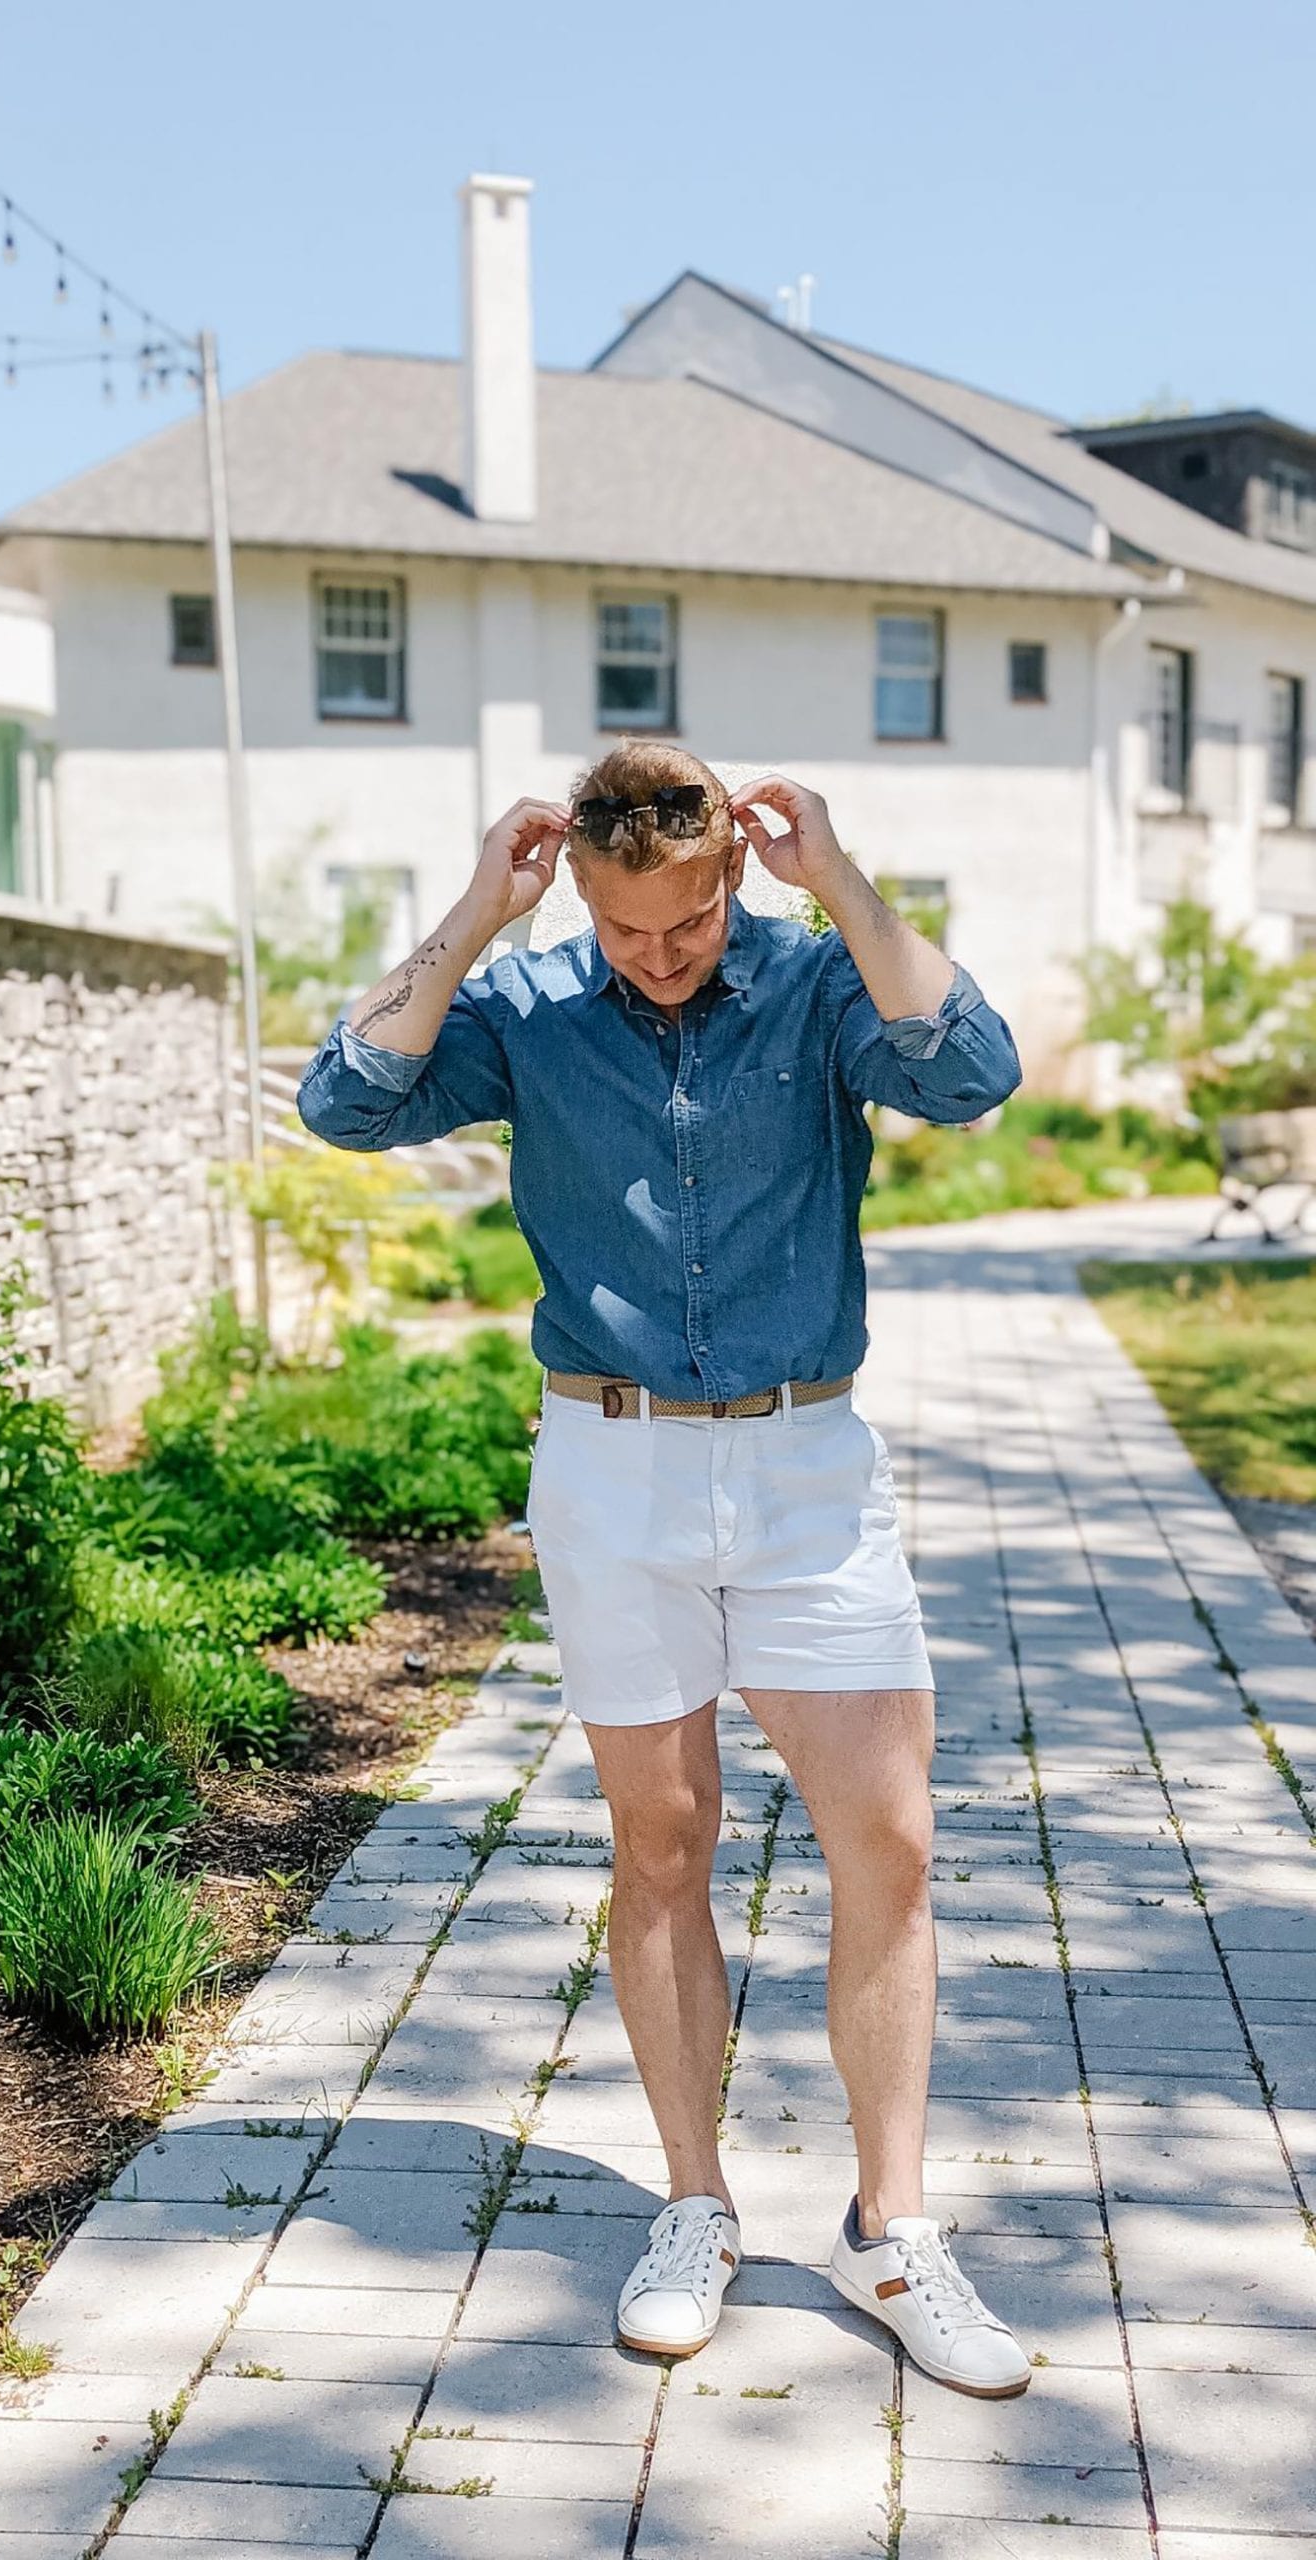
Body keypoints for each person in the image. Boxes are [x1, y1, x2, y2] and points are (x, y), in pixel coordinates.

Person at [297, 741, 1031, 2398]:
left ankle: (891, 2228)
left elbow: (969, 1067)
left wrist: (836, 880)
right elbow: (345, 1100)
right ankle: (694, 2204)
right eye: (628, 930)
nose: (660, 954)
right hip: (614, 1471)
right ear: (588, 891)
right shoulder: (535, 1001)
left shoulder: (812, 979)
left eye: (687, 921)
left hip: (805, 1466)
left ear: (726, 874)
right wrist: (480, 914)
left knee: (893, 1842)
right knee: (663, 1845)